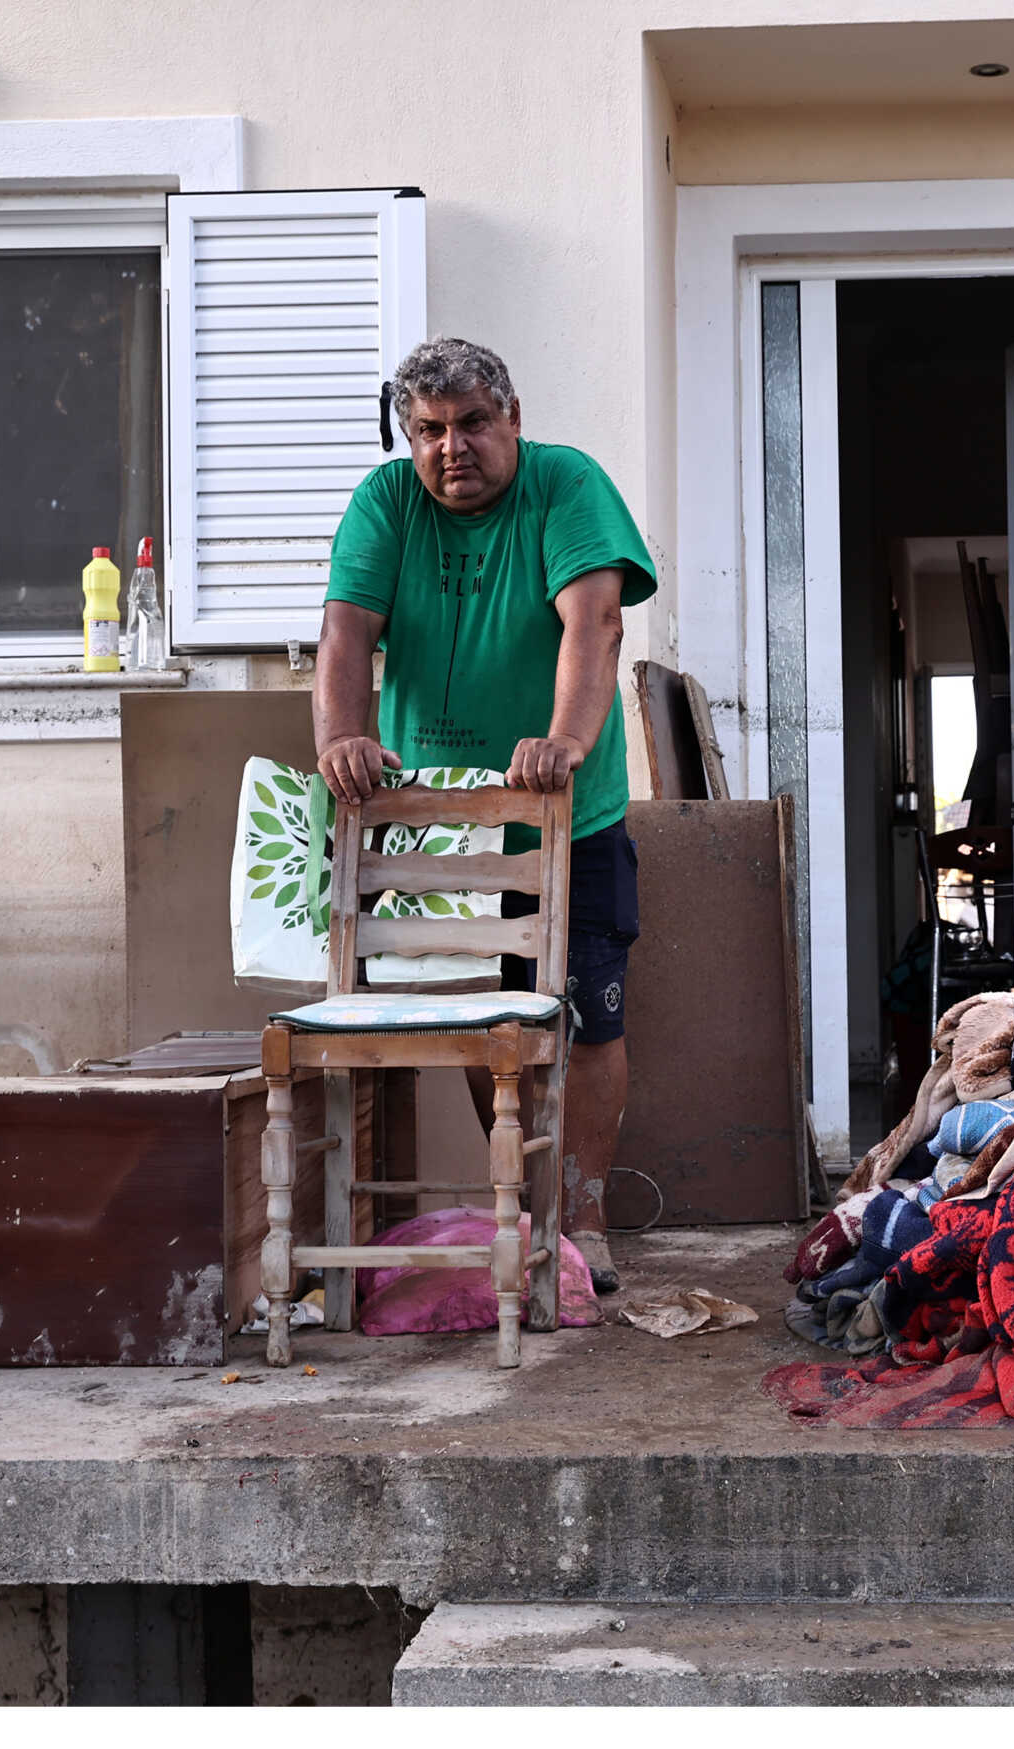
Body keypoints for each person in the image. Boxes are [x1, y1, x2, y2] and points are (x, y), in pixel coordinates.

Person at [317, 337, 655, 1293]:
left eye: (471, 424)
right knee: (483, 1011)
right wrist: (344, 734)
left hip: (565, 810)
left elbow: (596, 618)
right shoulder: (385, 503)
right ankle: (525, 1197)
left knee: (585, 1016)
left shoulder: (565, 485)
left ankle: (583, 1217)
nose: (450, 448)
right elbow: (346, 629)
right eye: (428, 430)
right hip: (444, 822)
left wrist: (566, 739)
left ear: (512, 417)